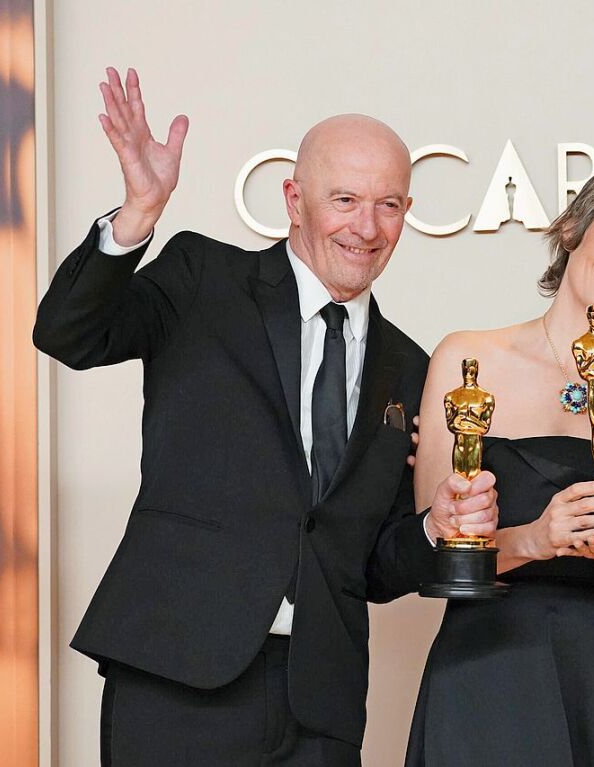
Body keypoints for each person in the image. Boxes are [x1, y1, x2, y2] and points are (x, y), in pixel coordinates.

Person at [33, 68, 499, 767]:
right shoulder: (201, 277)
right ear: (294, 199)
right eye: (344, 199)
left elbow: (368, 564)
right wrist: (137, 212)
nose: (366, 227)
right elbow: (69, 334)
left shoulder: (410, 366)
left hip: (318, 698)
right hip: (175, 670)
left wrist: (435, 524)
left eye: (388, 204)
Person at [405, 166, 594, 766]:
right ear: (572, 230)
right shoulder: (467, 359)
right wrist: (535, 538)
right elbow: (429, 551)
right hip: (490, 665)